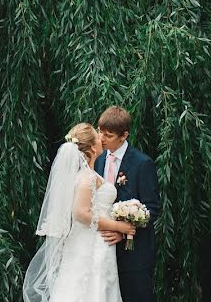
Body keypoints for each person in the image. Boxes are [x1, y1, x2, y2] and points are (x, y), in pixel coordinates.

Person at [23, 122, 136, 302]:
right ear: (92, 148)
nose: (101, 138)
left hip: (95, 242)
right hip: (90, 244)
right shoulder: (87, 178)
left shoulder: (88, 174)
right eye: (97, 135)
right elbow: (81, 214)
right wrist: (119, 226)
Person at [95, 106, 160, 302]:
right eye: (99, 132)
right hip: (103, 250)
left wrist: (123, 231)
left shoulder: (142, 164)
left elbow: (153, 208)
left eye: (108, 135)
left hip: (134, 253)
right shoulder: (98, 160)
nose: (102, 139)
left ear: (124, 136)